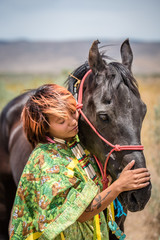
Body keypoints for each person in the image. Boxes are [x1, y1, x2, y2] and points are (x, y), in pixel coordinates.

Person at [9, 83, 150, 240]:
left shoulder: (71, 143)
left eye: (72, 112)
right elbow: (83, 213)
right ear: (45, 127)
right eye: (61, 121)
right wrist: (119, 186)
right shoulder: (47, 161)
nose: (72, 122)